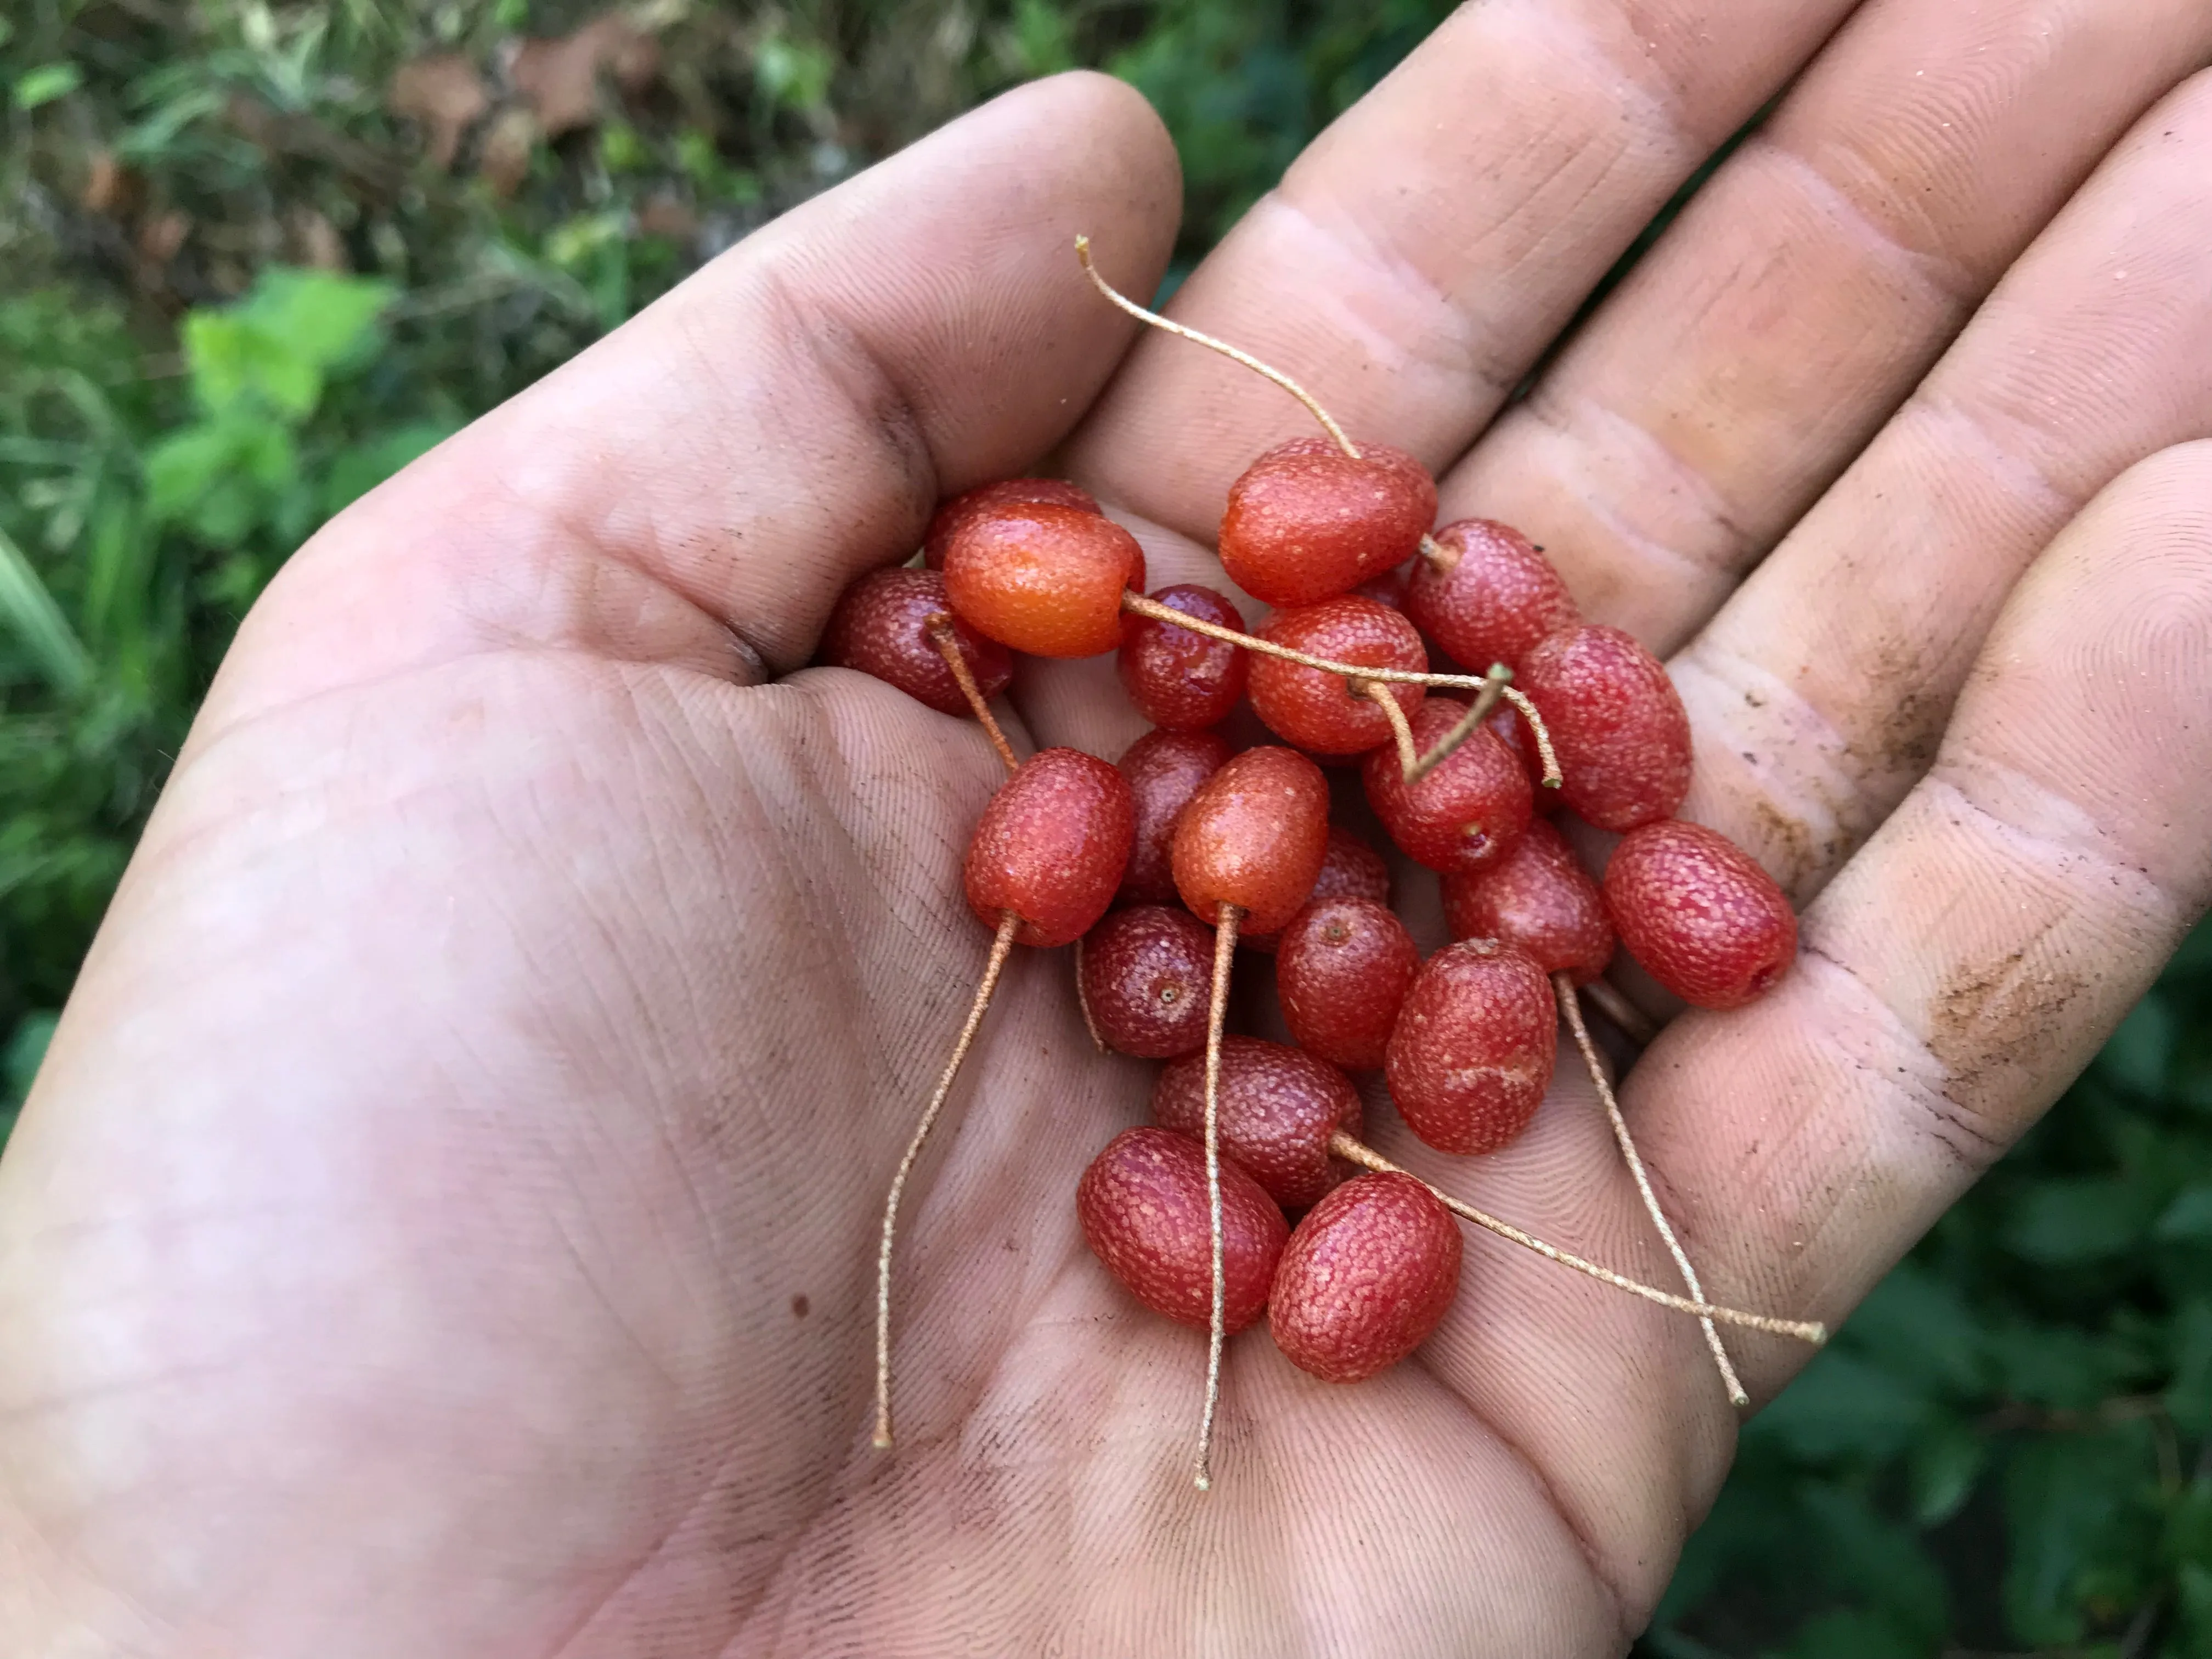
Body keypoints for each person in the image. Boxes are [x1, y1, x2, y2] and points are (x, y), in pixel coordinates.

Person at [3, 0, 2210, 1647]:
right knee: (1258, 882)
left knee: (1294, 888)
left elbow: (1431, 840)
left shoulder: (1372, 832)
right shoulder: (1189, 813)